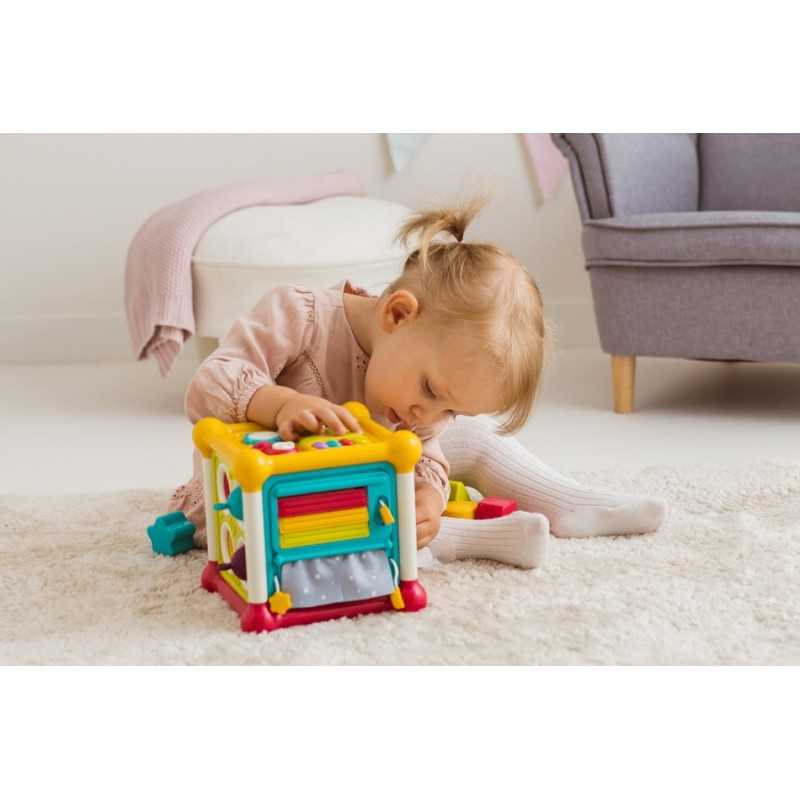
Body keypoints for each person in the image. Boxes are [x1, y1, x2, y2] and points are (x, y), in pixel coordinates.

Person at [168, 197, 667, 568]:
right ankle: (472, 539)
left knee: (470, 438)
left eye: (449, 408)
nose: (427, 414)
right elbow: (210, 383)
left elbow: (426, 452)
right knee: (335, 524)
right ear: (398, 314)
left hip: (368, 488)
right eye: (431, 390)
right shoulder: (298, 315)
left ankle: (566, 501)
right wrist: (280, 405)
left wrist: (428, 496)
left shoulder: (418, 396)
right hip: (265, 500)